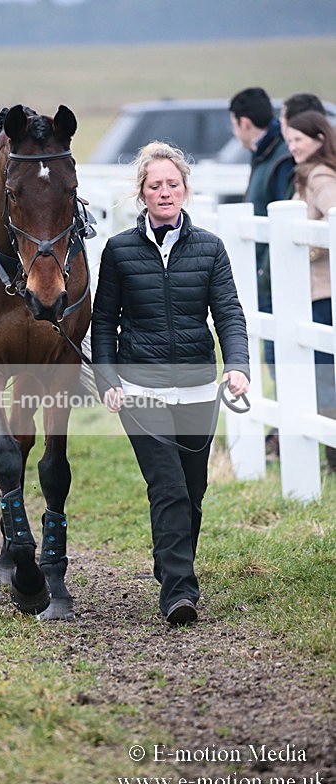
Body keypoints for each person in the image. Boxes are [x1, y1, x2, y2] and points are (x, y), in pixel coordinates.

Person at [91, 141, 250, 626]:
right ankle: (180, 592)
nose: (165, 192)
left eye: (173, 184)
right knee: (169, 488)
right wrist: (107, 379)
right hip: (141, 390)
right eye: (155, 185)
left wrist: (237, 364)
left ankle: (170, 562)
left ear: (185, 189)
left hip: (199, 389)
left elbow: (228, 312)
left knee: (193, 492)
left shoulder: (210, 248)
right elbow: (104, 321)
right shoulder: (119, 251)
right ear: (142, 192)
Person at [229, 87, 294, 458]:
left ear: (243, 122)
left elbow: (283, 217)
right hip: (267, 275)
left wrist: (264, 268)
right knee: (273, 356)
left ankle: (287, 432)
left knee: (282, 356)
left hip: (276, 277)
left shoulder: (280, 158)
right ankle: (281, 431)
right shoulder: (268, 153)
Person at [285, 110, 336, 472]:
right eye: (289, 139)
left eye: (298, 139)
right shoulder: (309, 172)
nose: (292, 146)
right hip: (316, 290)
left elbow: (333, 215)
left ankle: (333, 454)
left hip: (324, 291)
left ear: (319, 139)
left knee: (325, 374)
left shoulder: (319, 175)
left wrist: (309, 249)